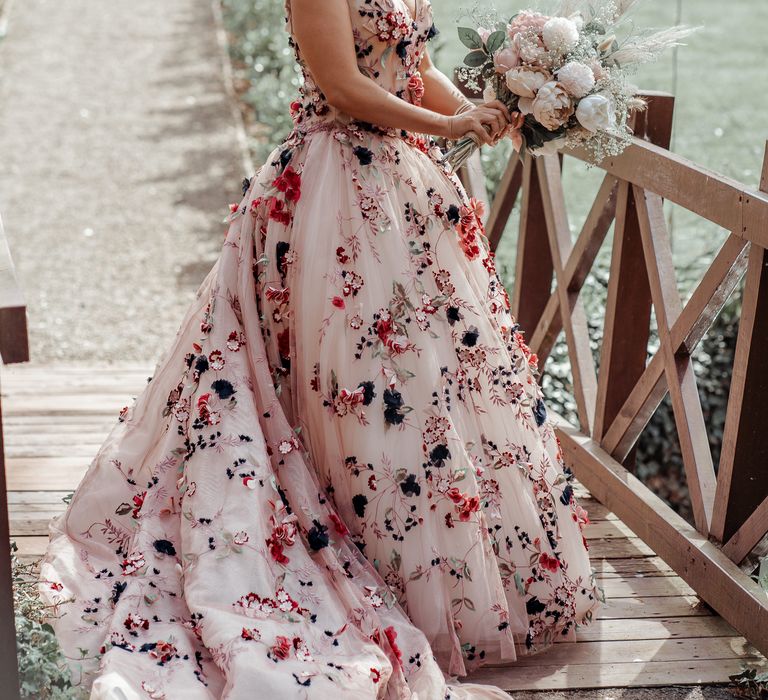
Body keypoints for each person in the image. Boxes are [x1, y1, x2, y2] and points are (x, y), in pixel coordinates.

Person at [40, 0, 603, 697]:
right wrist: (446, 125)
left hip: (406, 188)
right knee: (352, 383)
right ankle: (345, 562)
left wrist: (483, 111)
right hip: (330, 193)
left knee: (426, 390)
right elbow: (344, 89)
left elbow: (416, 68)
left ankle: (439, 590)